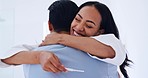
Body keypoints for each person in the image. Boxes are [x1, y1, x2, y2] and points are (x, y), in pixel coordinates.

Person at [0, 0, 130, 78]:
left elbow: (114, 52)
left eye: (89, 25)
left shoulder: (106, 48)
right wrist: (39, 56)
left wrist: (60, 38)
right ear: (71, 20)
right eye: (77, 19)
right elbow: (5, 59)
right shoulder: (36, 51)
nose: (79, 27)